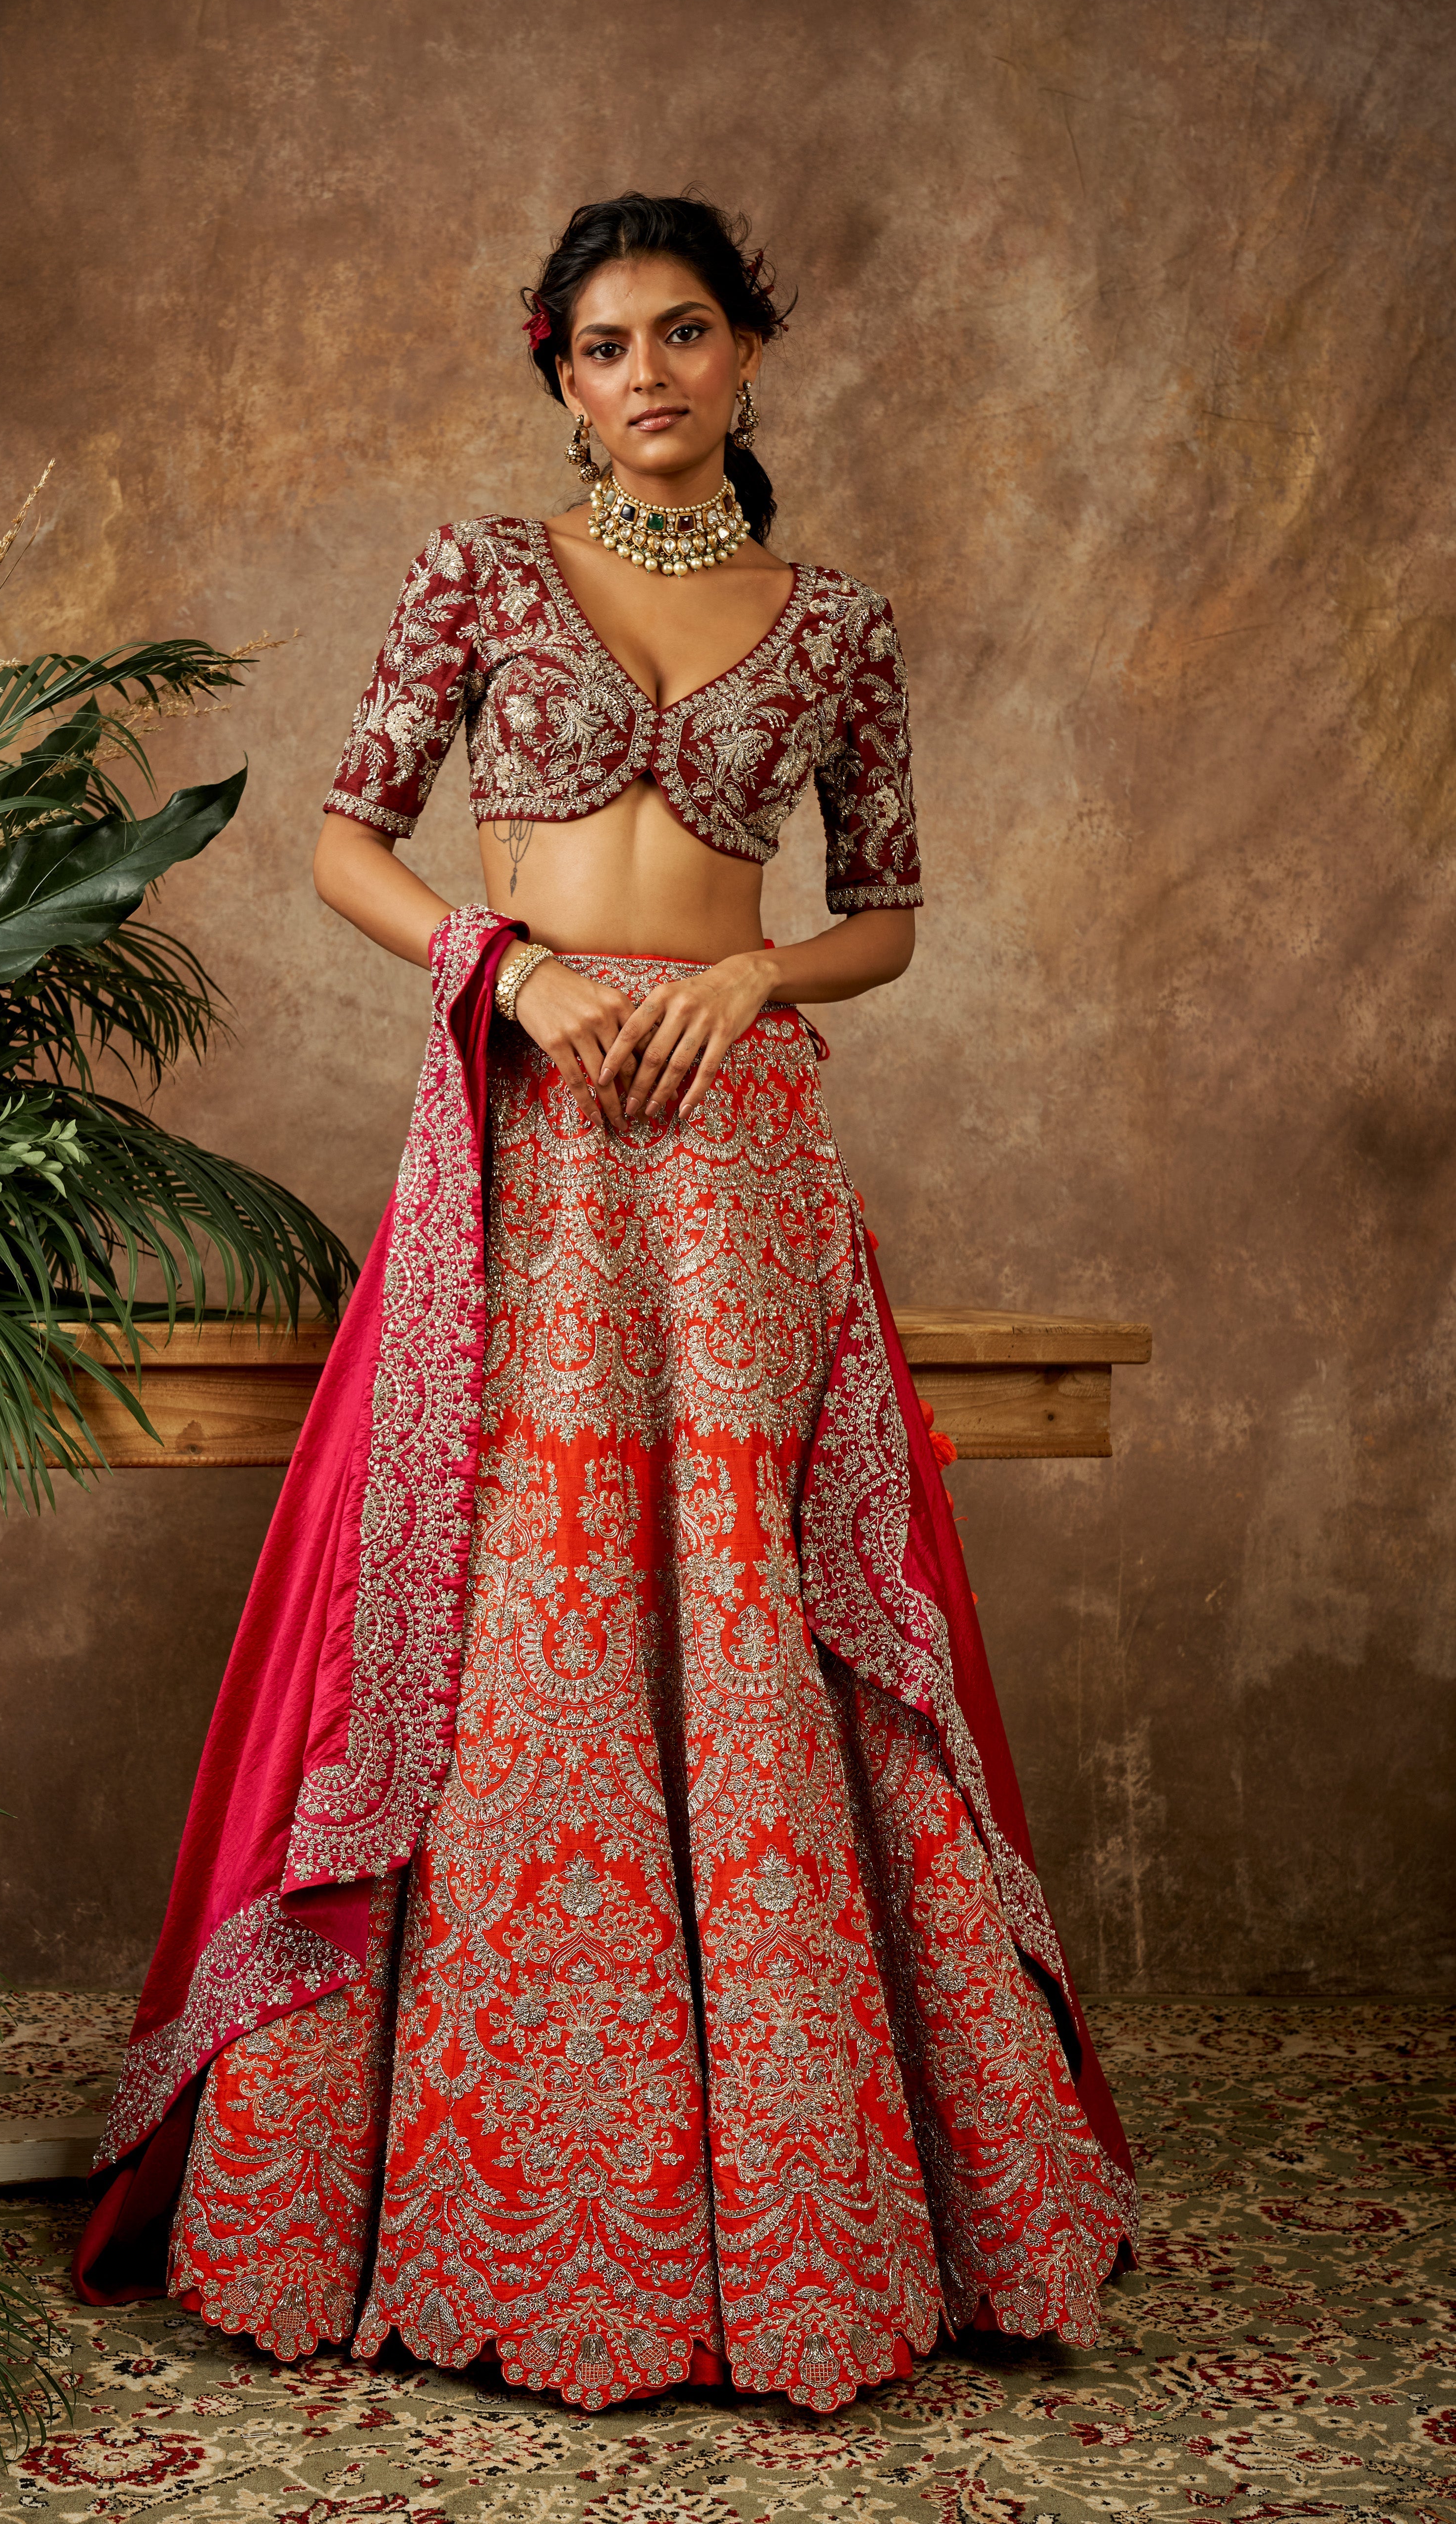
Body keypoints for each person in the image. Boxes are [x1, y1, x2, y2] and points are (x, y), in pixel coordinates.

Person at [74, 191, 1137, 2414]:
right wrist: (519, 969)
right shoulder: (477, 572)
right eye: (601, 345)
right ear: (560, 378)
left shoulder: (835, 627)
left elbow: (889, 914)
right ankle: (452, 2177)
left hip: (740, 1158)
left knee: (745, 1602)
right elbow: (348, 840)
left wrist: (750, 975)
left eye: (682, 332)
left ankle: (811, 2188)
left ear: (747, 350)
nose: (645, 373)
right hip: (529, 1135)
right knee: (520, 1605)